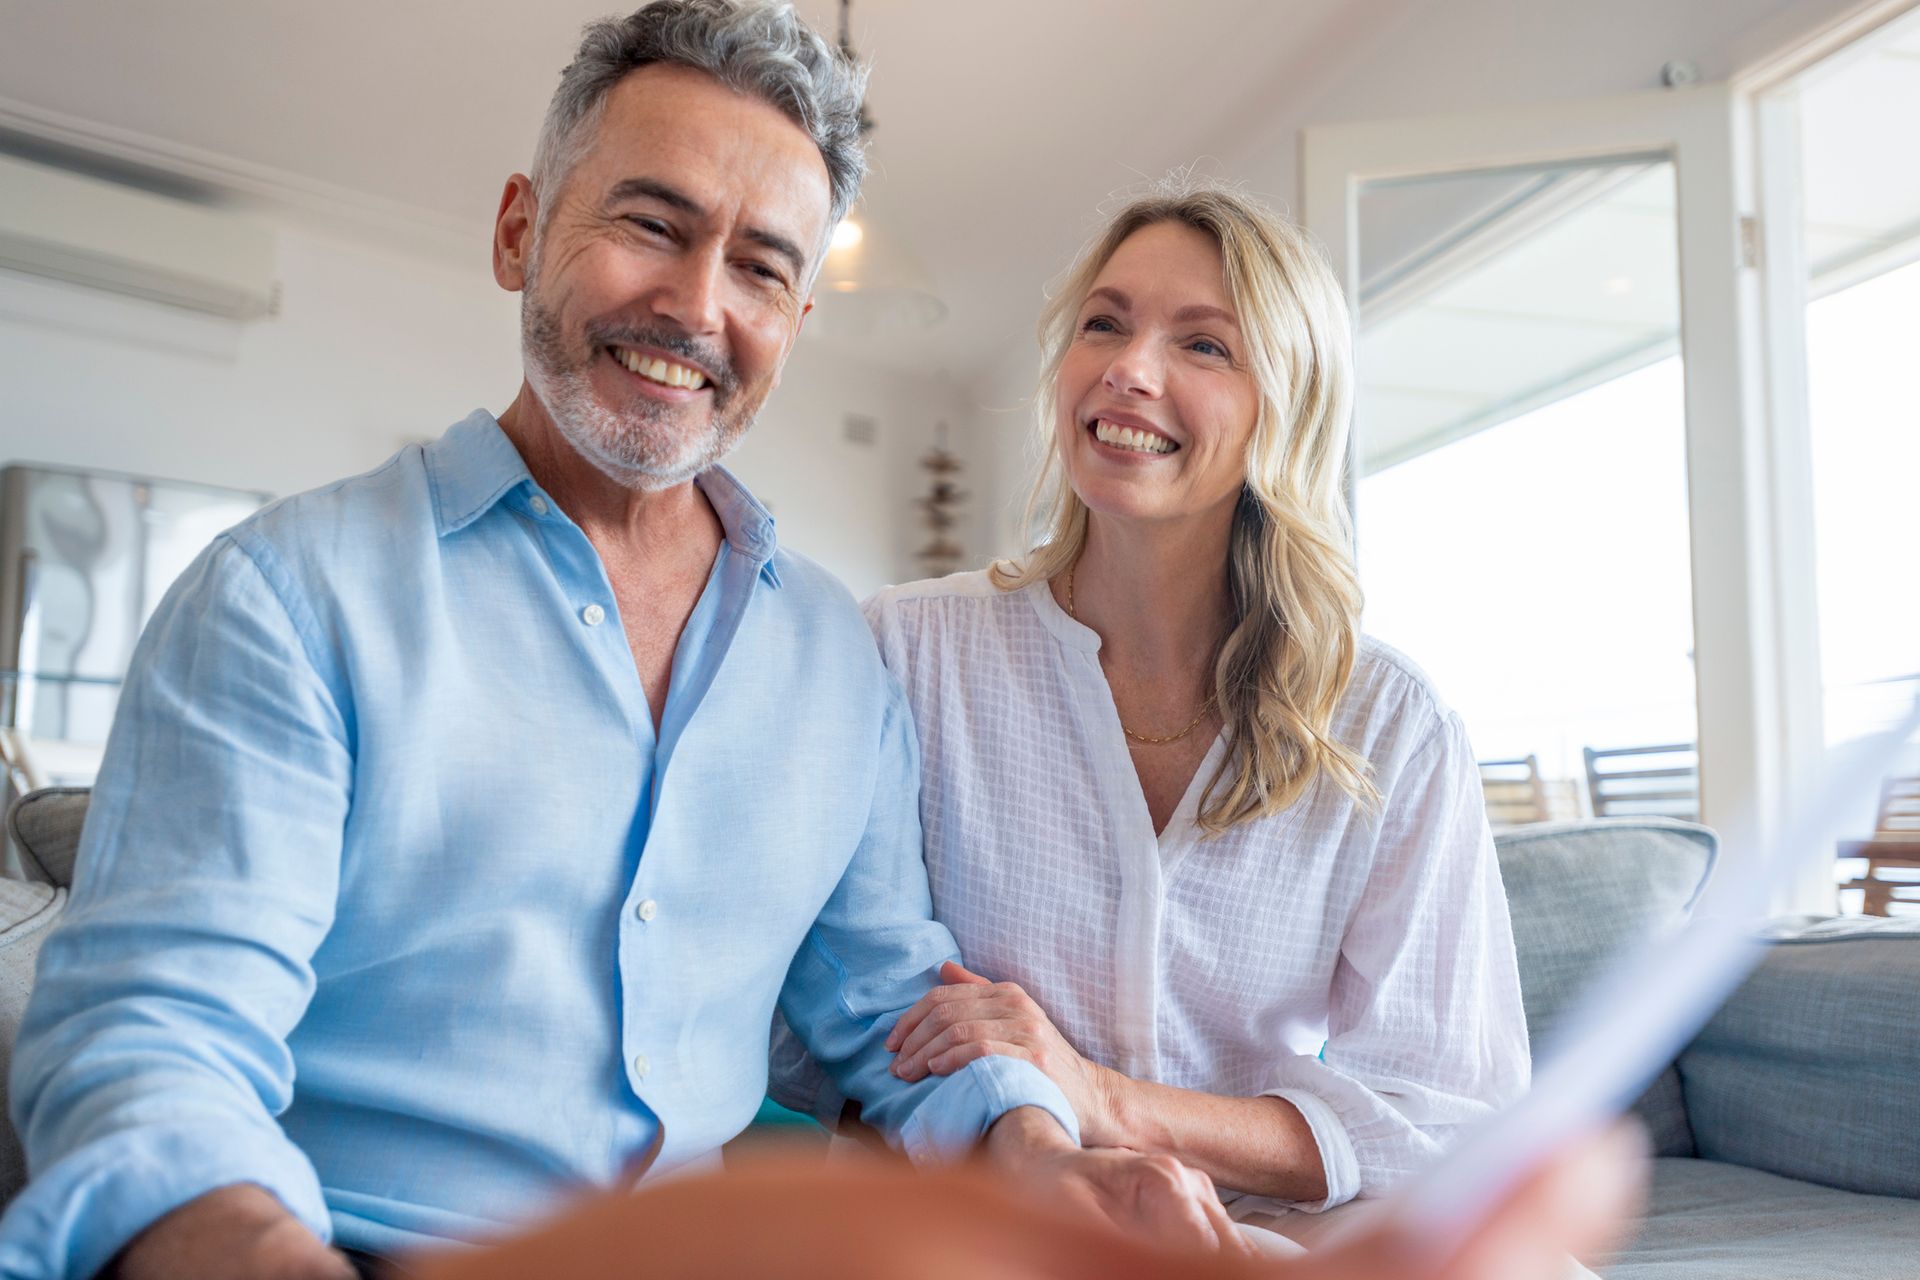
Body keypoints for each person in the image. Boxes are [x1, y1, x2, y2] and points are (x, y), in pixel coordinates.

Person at [0, 6, 1240, 1278]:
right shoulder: (284, 596)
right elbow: (153, 1046)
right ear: (520, 231)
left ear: (796, 323)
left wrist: (1043, 1153)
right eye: (652, 224)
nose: (695, 306)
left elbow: (885, 1006)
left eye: (760, 267)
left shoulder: (834, 655)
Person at [781, 181, 1533, 1250]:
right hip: (983, 1211)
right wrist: (1042, 1128)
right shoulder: (908, 650)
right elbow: (846, 1002)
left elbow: (1448, 1107)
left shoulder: (1389, 722)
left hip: (1265, 1223)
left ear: (1289, 404)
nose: (1129, 368)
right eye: (1105, 323)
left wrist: (1107, 1096)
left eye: (1205, 345)